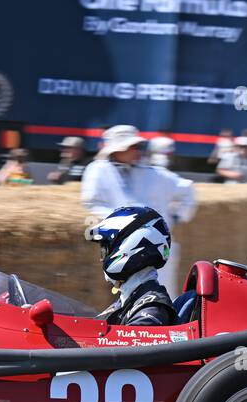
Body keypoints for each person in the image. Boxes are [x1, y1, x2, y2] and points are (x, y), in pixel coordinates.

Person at [82, 124, 197, 297]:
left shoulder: (155, 174)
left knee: (163, 297)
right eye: (132, 147)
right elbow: (91, 204)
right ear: (119, 149)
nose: (138, 150)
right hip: (123, 250)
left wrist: (175, 218)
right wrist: (121, 224)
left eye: (137, 146)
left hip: (158, 248)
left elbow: (188, 190)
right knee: (128, 300)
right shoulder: (97, 171)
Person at [88, 206, 178, 328]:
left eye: (105, 249)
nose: (101, 258)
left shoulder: (153, 308)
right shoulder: (128, 300)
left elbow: (127, 345)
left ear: (132, 243)